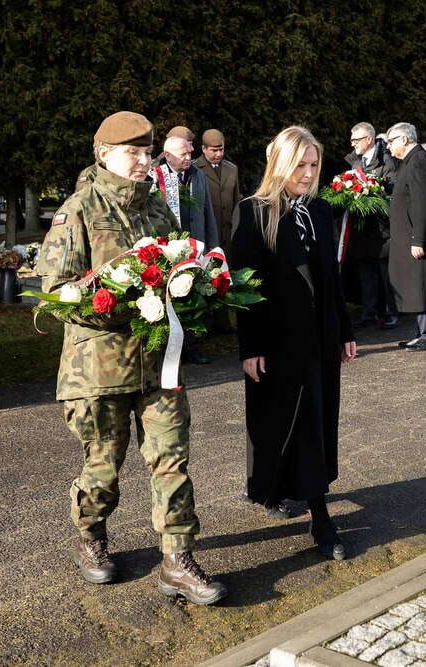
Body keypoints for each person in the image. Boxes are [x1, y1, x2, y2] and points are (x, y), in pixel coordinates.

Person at [36, 111, 226, 605]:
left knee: (172, 460)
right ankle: (91, 538)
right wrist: (120, 298)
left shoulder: (159, 211)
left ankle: (177, 560)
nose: (143, 161)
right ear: (104, 154)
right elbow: (56, 292)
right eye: (132, 153)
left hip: (159, 362)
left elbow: (179, 265)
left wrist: (193, 291)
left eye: (147, 152)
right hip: (98, 368)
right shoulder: (77, 210)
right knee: (104, 465)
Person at [231, 125, 357, 560]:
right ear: (280, 164)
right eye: (299, 165)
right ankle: (274, 491)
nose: (307, 173)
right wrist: (250, 347)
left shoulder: (321, 211)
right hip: (276, 339)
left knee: (314, 420)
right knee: (278, 419)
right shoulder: (254, 212)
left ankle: (319, 513)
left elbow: (331, 278)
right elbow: (243, 287)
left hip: (320, 336)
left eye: (314, 164)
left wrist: (345, 330)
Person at [152, 130, 219, 365]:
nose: (188, 158)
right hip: (167, 249)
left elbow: (208, 211)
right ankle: (167, 350)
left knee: (191, 295)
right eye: (183, 154)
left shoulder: (198, 175)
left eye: (190, 153)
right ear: (168, 156)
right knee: (168, 298)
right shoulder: (155, 176)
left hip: (196, 246)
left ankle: (191, 346)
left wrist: (213, 247)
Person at [387, 122, 426, 352]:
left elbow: (424, 203)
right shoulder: (410, 161)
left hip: (417, 238)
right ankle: (423, 332)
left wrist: (418, 239)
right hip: (410, 236)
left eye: (391, 141)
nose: (389, 146)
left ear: (403, 139)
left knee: (422, 284)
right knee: (416, 285)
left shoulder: (419, 160)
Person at [345, 122, 398, 330]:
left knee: (386, 274)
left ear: (369, 139)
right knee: (365, 273)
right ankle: (369, 312)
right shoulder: (354, 161)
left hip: (383, 226)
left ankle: (392, 311)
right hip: (363, 226)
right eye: (352, 140)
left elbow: (393, 190)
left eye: (356, 140)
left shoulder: (387, 160)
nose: (353, 144)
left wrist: (373, 189)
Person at [194, 129, 241, 259]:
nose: (219, 154)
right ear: (204, 149)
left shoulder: (232, 169)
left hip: (228, 236)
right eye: (214, 150)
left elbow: (236, 202)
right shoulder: (195, 170)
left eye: (221, 149)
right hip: (206, 236)